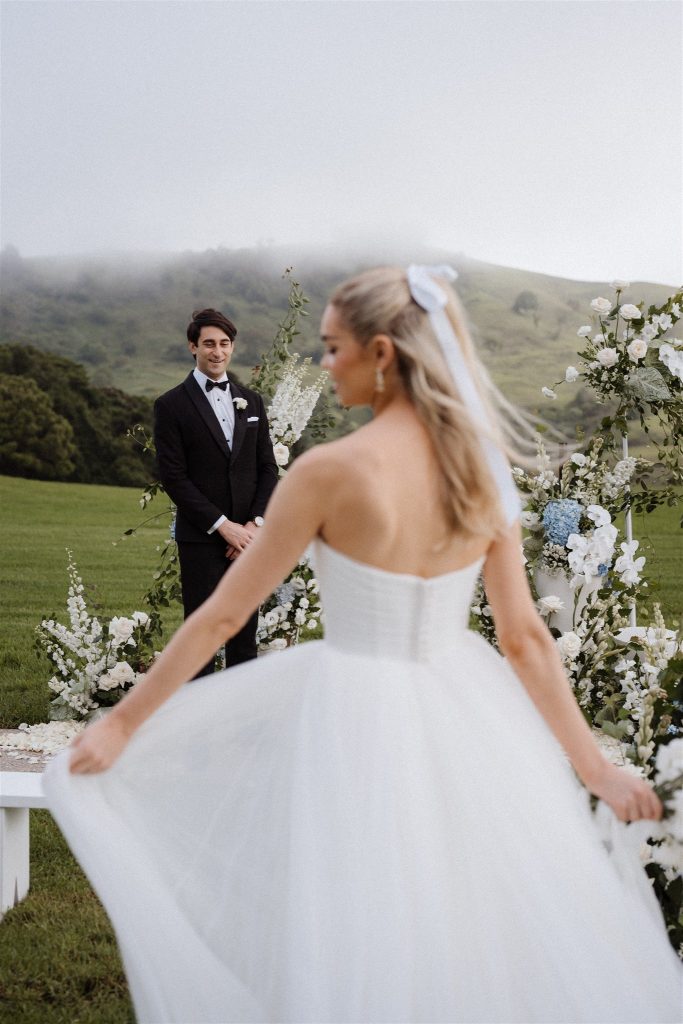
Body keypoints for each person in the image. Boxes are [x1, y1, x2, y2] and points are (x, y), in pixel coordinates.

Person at [46, 266, 681, 1024]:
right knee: (459, 905)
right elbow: (524, 641)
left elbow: (221, 617)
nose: (323, 364)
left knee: (351, 911)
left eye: (331, 347)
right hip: (465, 710)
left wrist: (123, 723)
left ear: (381, 354)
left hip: (351, 711)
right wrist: (595, 769)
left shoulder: (327, 472)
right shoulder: (478, 471)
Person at [154, 307, 278, 673]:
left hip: (248, 540)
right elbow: (174, 477)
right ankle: (200, 719)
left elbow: (268, 467)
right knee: (202, 632)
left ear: (232, 348)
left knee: (244, 629)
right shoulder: (171, 405)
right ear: (193, 347)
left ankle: (242, 717)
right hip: (202, 537)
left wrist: (253, 525)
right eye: (209, 344)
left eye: (224, 344)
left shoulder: (251, 402)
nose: (217, 352)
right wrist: (223, 526)